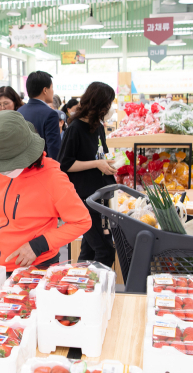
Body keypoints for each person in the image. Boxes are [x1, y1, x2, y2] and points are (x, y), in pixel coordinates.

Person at [0, 110, 91, 271]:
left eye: (9, 162)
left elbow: (82, 221)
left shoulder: (52, 177)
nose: (3, 170)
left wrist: (39, 245)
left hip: (38, 266)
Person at [59, 82, 117, 267]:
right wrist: (97, 164)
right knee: (105, 250)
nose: (109, 109)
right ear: (98, 103)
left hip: (99, 195)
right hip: (84, 198)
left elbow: (99, 155)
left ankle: (80, 284)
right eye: (108, 104)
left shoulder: (97, 126)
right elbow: (65, 164)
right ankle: (98, 288)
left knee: (90, 249)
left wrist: (108, 164)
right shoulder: (75, 128)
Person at [18, 71, 62, 161]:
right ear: (45, 90)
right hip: (42, 168)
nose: (53, 91)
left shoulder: (19, 111)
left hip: (22, 169)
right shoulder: (50, 114)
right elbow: (54, 150)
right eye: (52, 88)